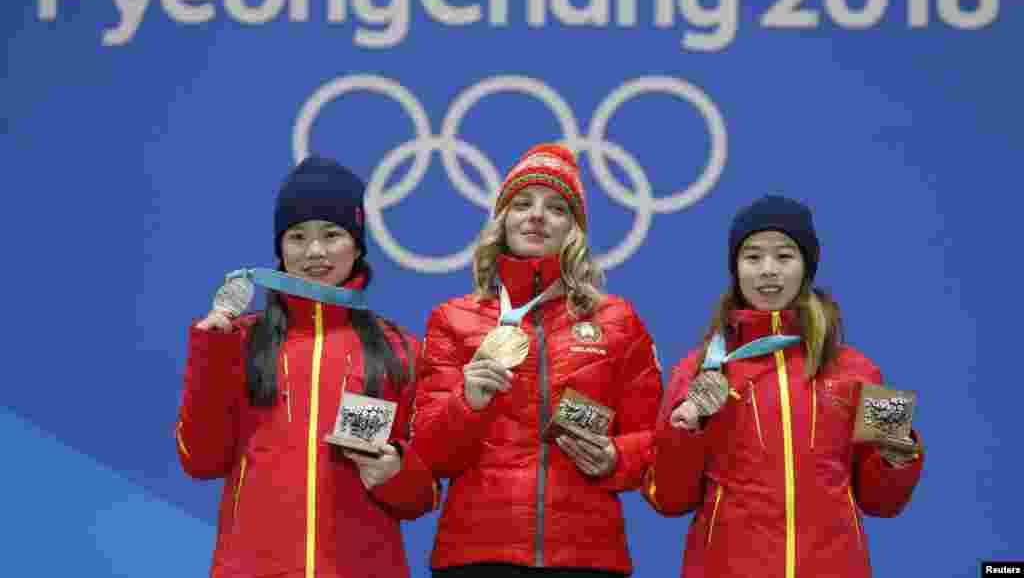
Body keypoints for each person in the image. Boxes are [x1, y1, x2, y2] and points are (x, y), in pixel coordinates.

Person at [175, 156, 437, 578]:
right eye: (297, 236)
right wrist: (210, 351)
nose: (315, 251)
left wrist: (395, 472)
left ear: (357, 244)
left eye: (332, 235)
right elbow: (200, 460)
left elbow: (423, 498)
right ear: (279, 248)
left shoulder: (400, 350)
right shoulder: (238, 342)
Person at [414, 144, 663, 577]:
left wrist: (615, 458)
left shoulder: (618, 321)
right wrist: (466, 402)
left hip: (587, 558)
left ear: (574, 230)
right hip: (477, 555)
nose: (536, 216)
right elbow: (429, 457)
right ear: (502, 222)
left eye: (556, 208)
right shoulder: (452, 319)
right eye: (522, 204)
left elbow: (655, 441)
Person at [644, 195, 924, 578]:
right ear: (736, 269)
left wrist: (900, 454)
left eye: (785, 256)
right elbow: (668, 499)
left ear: (806, 266)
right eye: (753, 257)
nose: (768, 271)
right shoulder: (695, 372)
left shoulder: (860, 371)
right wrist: (683, 432)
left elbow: (883, 503)